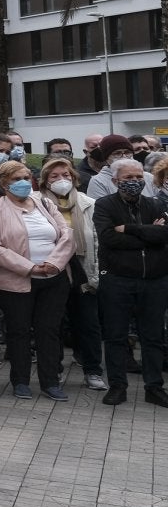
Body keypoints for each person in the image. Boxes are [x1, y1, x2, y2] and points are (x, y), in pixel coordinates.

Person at [0, 158, 74, 400]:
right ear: (4, 184)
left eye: (26, 178)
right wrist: (30, 267)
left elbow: (66, 234)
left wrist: (53, 263)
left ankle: (50, 381)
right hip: (16, 280)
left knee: (49, 330)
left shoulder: (44, 203)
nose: (23, 183)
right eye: (16, 180)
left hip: (54, 277)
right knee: (19, 331)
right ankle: (20, 381)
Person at [92, 159, 168, 407]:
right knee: (116, 336)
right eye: (128, 177)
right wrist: (147, 233)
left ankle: (154, 387)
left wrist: (130, 229)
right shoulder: (104, 204)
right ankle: (117, 386)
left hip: (154, 280)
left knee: (153, 336)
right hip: (117, 279)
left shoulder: (154, 204)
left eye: (138, 176)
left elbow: (164, 236)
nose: (134, 181)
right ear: (115, 181)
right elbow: (109, 238)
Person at [40, 155, 105, 392]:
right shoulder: (36, 203)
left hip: (82, 268)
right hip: (51, 270)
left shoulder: (89, 203)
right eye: (54, 176)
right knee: (52, 323)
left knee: (88, 323)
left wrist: (96, 274)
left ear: (74, 178)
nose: (61, 179)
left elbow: (97, 242)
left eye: (66, 175)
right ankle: (53, 370)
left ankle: (93, 371)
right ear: (45, 181)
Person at [86, 134, 135, 201]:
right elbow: (99, 208)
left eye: (127, 152)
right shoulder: (98, 182)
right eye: (117, 153)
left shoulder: (148, 177)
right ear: (106, 158)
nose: (124, 157)